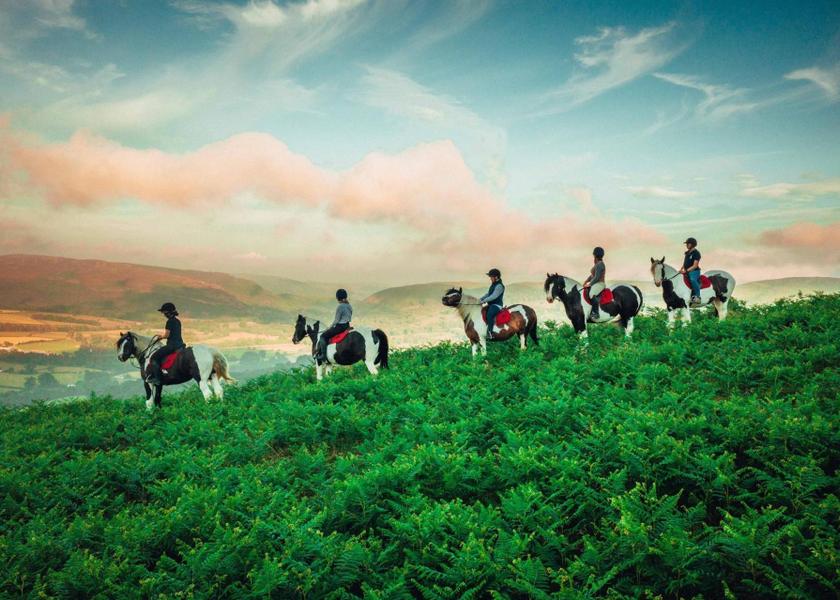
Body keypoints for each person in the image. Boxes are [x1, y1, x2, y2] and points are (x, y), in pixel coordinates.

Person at [145, 302, 186, 385]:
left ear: (168, 312)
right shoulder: (178, 321)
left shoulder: (169, 322)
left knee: (154, 357)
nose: (163, 314)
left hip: (172, 346)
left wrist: (160, 337)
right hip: (180, 345)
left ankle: (157, 379)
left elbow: (167, 335)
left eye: (164, 312)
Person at [315, 289, 353, 363]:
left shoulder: (340, 306)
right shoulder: (349, 306)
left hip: (340, 326)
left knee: (323, 336)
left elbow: (336, 320)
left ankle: (323, 356)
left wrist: (330, 327)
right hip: (347, 325)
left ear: (338, 297)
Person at [480, 268, 505, 340]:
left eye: (491, 277)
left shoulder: (499, 286)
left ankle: (490, 333)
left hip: (497, 305)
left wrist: (483, 301)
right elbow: (488, 294)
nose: (490, 278)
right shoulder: (494, 284)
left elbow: (493, 296)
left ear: (496, 277)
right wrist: (480, 299)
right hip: (491, 305)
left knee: (489, 314)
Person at [583, 247, 606, 321]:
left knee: (591, 294)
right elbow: (592, 276)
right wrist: (586, 281)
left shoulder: (600, 264)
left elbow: (596, 277)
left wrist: (589, 284)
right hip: (596, 283)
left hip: (600, 284)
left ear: (595, 254)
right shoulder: (597, 264)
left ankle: (596, 313)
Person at [680, 237, 702, 306]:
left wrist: (686, 271)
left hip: (694, 271)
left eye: (688, 244)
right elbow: (685, 263)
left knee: (692, 280)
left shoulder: (696, 253)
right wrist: (681, 269)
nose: (686, 245)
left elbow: (695, 266)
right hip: (687, 271)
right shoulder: (687, 253)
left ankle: (697, 297)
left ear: (692, 244)